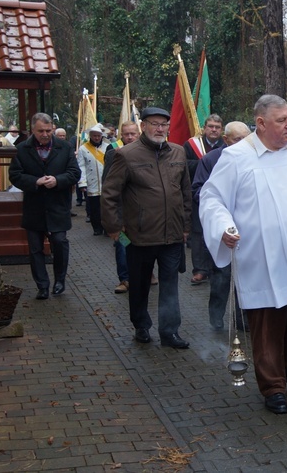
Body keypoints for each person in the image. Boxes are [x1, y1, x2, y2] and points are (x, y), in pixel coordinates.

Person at [199, 94, 287, 414]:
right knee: (268, 323)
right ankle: (273, 386)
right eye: (281, 120)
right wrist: (223, 226)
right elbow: (211, 198)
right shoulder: (237, 157)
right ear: (261, 123)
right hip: (264, 257)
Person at [101, 107, 192, 349]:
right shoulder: (126, 155)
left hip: (172, 235)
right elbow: (110, 194)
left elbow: (185, 193)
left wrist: (185, 226)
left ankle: (169, 332)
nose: (160, 129)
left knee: (170, 285)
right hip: (138, 236)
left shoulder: (178, 152)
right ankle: (141, 325)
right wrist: (114, 229)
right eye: (154, 123)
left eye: (164, 124)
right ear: (143, 126)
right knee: (139, 284)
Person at [9, 113, 81, 300]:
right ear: (33, 129)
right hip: (34, 207)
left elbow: (74, 173)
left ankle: (59, 280)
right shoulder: (22, 149)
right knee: (35, 249)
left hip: (58, 207)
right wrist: (35, 181)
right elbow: (15, 175)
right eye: (41, 131)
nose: (45, 134)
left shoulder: (64, 147)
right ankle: (42, 285)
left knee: (59, 242)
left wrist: (57, 180)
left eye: (48, 130)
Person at [191, 121, 251, 331]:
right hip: (221, 228)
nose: (244, 143)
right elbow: (198, 190)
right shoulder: (211, 160)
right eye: (238, 139)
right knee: (221, 277)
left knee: (245, 277)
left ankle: (242, 318)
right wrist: (219, 207)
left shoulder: (253, 159)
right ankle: (216, 319)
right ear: (226, 140)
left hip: (247, 229)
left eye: (247, 139)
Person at [102, 120, 158, 294]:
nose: (130, 137)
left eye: (133, 133)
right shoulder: (113, 153)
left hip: (145, 212)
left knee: (147, 246)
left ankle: (147, 273)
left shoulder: (151, 151)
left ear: (139, 133)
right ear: (121, 135)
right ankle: (125, 279)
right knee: (122, 245)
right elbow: (108, 185)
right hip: (123, 212)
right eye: (126, 134)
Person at [185, 114, 225, 286]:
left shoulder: (228, 146)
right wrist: (203, 163)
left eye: (217, 126)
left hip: (221, 197)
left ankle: (217, 267)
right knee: (198, 233)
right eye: (210, 126)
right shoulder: (191, 145)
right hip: (198, 194)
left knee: (218, 231)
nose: (214, 129)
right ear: (204, 128)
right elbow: (184, 165)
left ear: (222, 130)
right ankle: (200, 270)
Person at [77, 124, 113, 236]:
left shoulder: (108, 146)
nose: (96, 138)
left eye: (98, 135)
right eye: (94, 136)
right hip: (92, 182)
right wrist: (82, 183)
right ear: (90, 136)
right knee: (94, 208)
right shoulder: (83, 148)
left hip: (106, 182)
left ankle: (107, 228)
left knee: (107, 208)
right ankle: (97, 228)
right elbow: (81, 166)